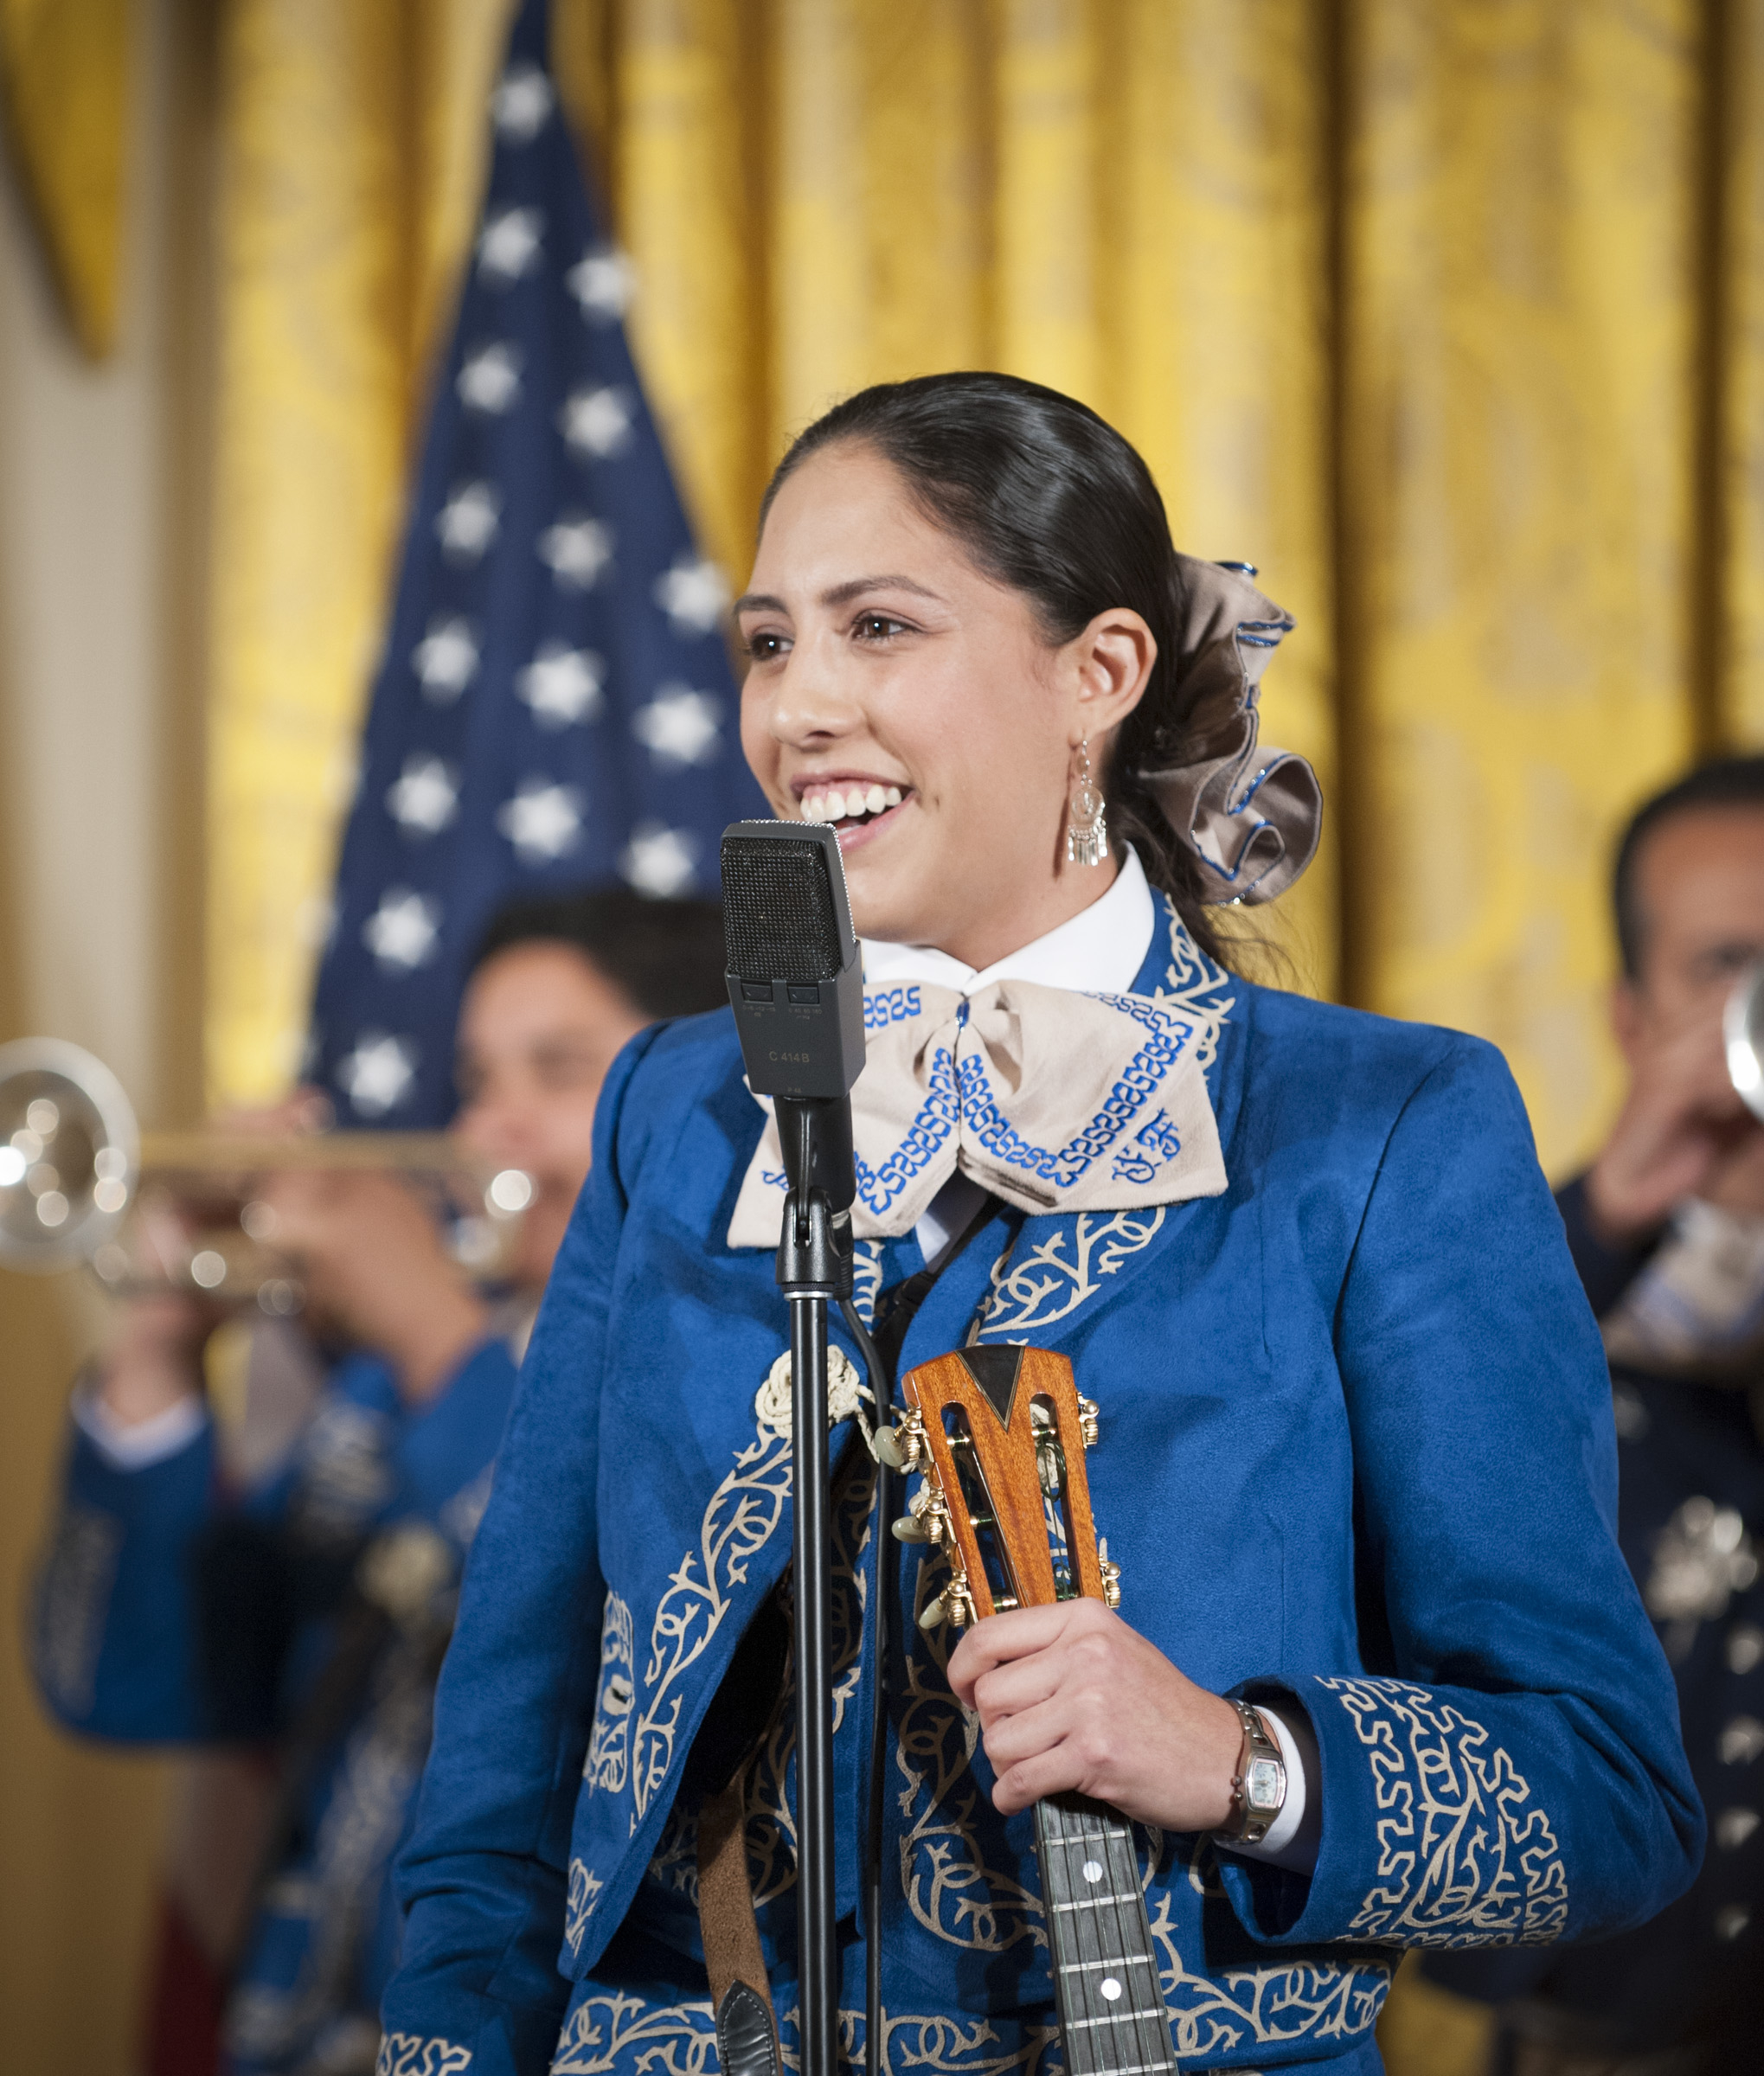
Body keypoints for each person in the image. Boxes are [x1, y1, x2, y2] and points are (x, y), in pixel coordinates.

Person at [378, 373, 1702, 2076]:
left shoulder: (1380, 1124)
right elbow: (507, 1754)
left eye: (879, 626)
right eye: (770, 643)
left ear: (1102, 673)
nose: (800, 707)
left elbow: (1611, 1794)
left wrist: (1237, 1761)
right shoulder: (676, 1102)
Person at [29, 887, 729, 2076]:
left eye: (558, 1073)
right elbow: (131, 1686)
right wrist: (161, 1339)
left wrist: (432, 1338)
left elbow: (621, 1644)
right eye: (475, 1080)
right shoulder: (377, 1406)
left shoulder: (733, 1376)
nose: (488, 1130)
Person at [1418, 757, 1764, 2074]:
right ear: (1634, 1017)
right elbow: (1407, 1444)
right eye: (1728, 965)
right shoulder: (1554, 1272)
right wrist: (1614, 1206)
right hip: (1595, 2033)